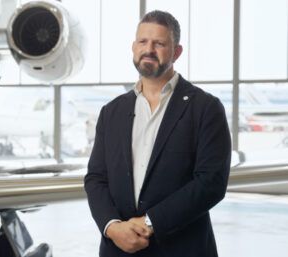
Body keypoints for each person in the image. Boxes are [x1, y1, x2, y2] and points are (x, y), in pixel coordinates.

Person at [84, 10, 231, 257]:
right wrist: (112, 227)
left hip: (182, 248)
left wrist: (150, 222)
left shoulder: (205, 108)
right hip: (119, 248)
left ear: (176, 52)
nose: (149, 49)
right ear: (133, 47)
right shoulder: (112, 112)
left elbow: (211, 183)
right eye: (143, 42)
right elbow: (96, 178)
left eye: (159, 43)